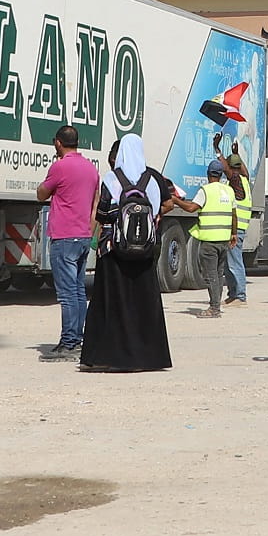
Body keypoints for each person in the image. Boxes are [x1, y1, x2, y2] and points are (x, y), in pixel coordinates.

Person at [79, 133, 173, 373]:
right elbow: (158, 210)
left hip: (114, 251)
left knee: (112, 302)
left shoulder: (112, 179)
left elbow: (102, 213)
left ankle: (110, 356)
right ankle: (147, 357)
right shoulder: (151, 180)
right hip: (145, 252)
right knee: (144, 303)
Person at [35, 125, 100, 361]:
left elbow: (42, 194)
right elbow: (95, 202)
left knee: (66, 294)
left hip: (64, 236)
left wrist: (42, 188)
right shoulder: (91, 169)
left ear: (58, 143)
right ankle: (79, 339)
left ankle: (69, 342)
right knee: (78, 290)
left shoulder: (60, 167)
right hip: (83, 235)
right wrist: (89, 231)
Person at [173, 160, 238, 319]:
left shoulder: (206, 191)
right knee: (218, 273)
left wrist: (176, 201)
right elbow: (234, 215)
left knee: (210, 276)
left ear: (208, 174)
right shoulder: (229, 191)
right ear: (221, 175)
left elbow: (191, 208)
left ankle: (214, 308)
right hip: (223, 240)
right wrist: (233, 234)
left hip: (209, 241)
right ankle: (216, 304)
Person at [222, 143, 253, 305]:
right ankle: (233, 294)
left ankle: (240, 295)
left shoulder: (236, 181)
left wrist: (217, 150)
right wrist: (237, 154)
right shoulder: (245, 179)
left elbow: (226, 170)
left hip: (237, 228)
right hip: (239, 227)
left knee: (234, 262)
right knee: (231, 262)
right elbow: (244, 170)